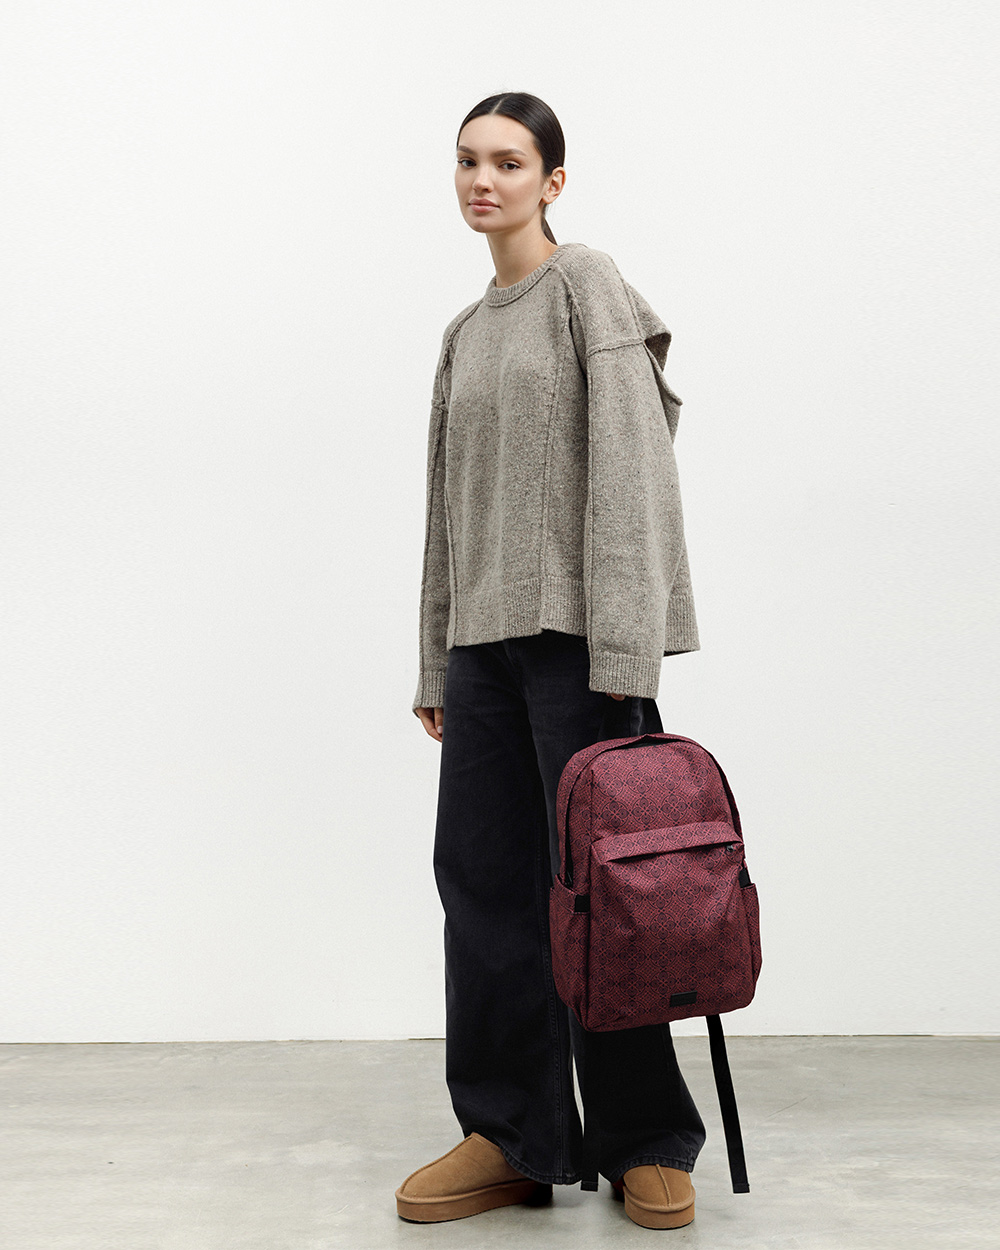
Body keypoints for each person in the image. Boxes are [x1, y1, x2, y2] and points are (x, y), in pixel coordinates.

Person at [398, 92, 706, 1232]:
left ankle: (643, 1137)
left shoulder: (586, 285)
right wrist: (436, 661)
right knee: (482, 888)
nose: (484, 181)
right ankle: (510, 1135)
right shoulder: (463, 333)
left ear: (552, 181)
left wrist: (628, 643)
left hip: (581, 647)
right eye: (468, 161)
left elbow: (633, 460)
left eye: (509, 162)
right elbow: (446, 510)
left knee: (609, 896)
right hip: (481, 654)